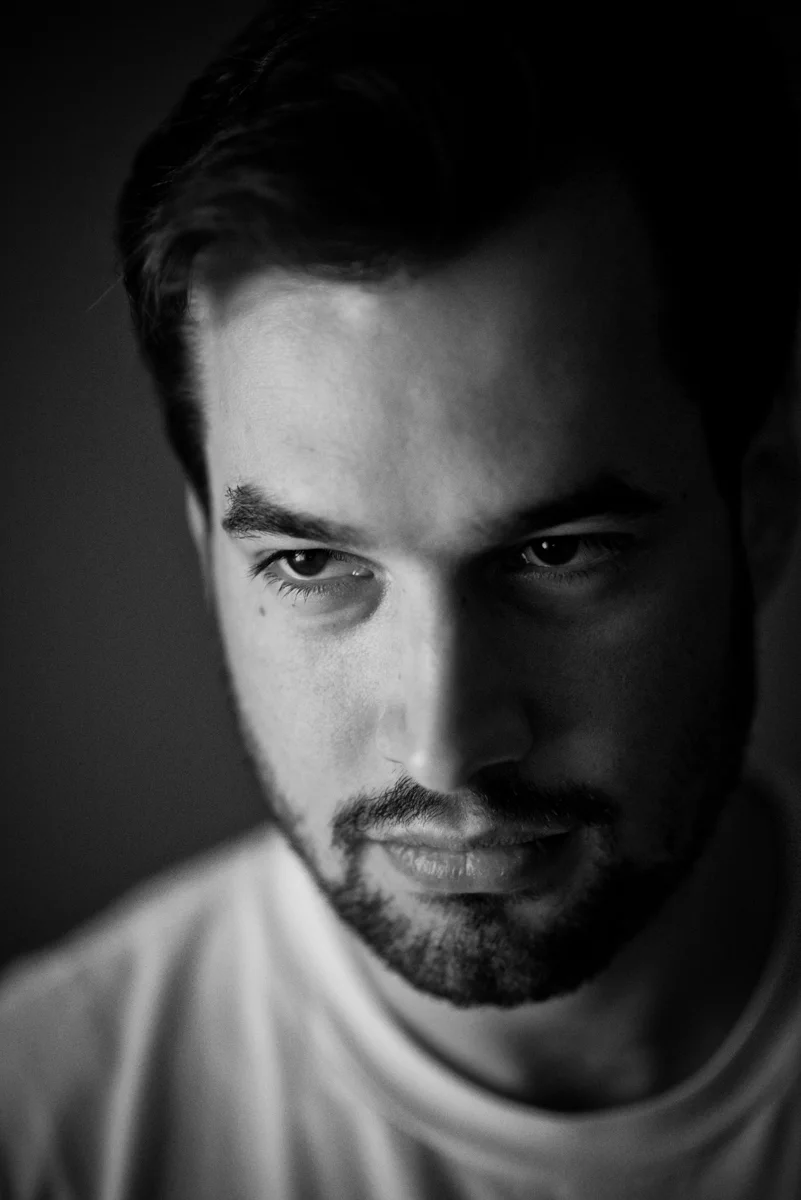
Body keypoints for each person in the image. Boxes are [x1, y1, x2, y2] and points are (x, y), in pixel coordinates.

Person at [2, 1, 801, 1196]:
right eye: (311, 566)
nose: (445, 747)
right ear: (207, 553)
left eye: (558, 554)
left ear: (761, 512)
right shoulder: (44, 1128)